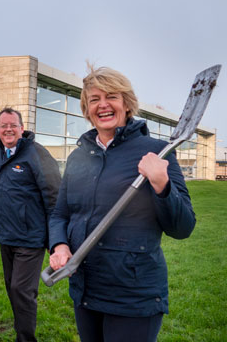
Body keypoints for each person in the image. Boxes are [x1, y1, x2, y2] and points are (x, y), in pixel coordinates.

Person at [48, 65, 196, 342]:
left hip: (133, 295)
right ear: (86, 109)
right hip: (86, 289)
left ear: (126, 104)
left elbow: (183, 227)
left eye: (112, 96)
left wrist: (162, 185)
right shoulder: (78, 158)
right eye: (94, 99)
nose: (103, 105)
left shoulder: (157, 151)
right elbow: (60, 214)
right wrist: (59, 245)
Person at [0, 107, 61, 342]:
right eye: (3, 126)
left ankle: (25, 338)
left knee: (22, 291)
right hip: (6, 236)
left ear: (22, 128)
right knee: (13, 288)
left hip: (30, 238)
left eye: (13, 125)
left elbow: (55, 199)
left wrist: (56, 244)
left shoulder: (36, 154)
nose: (8, 129)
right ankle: (20, 330)